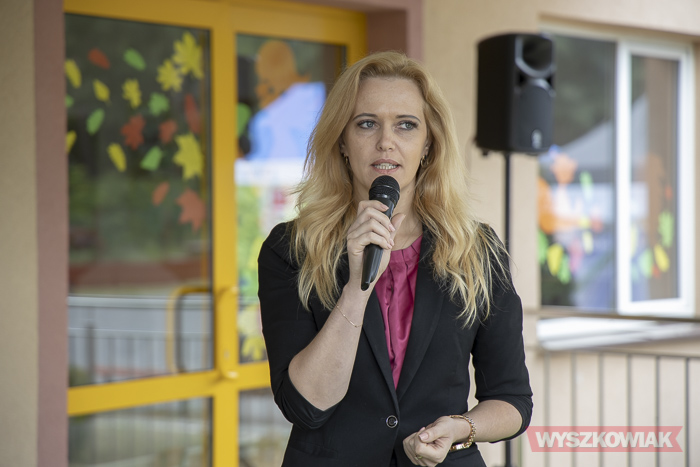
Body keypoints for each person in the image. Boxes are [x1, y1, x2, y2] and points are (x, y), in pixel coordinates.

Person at [258, 51, 532, 467]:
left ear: (428, 144)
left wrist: (461, 428)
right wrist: (356, 288)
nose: (386, 141)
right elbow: (306, 406)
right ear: (342, 142)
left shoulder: (477, 249)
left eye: (406, 125)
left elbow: (512, 400)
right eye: (366, 123)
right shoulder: (292, 248)